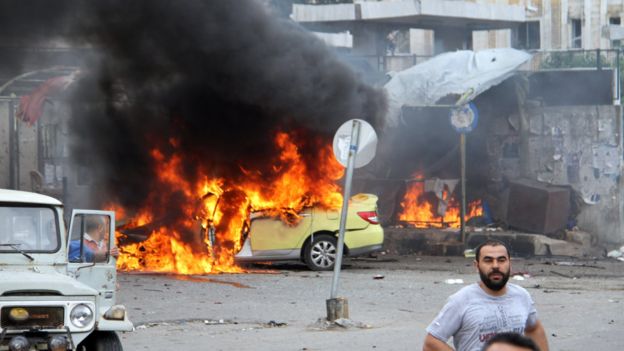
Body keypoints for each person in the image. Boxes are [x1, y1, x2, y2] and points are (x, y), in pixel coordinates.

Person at [422, 239, 549, 351]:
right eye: (488, 260)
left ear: (509, 263)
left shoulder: (522, 296)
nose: (495, 266)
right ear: (477, 266)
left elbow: (534, 329)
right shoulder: (461, 300)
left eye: (501, 260)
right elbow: (431, 343)